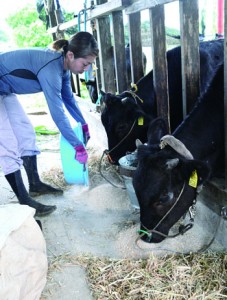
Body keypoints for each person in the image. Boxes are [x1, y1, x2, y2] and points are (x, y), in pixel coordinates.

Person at [0, 31, 99, 217]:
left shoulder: (63, 69)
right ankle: (24, 201)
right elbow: (57, 113)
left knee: (26, 133)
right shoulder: (51, 68)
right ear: (70, 55)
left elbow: (69, 100)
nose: (86, 69)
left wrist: (84, 124)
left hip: (3, 88)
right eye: (85, 64)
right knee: (8, 142)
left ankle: (35, 184)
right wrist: (77, 146)